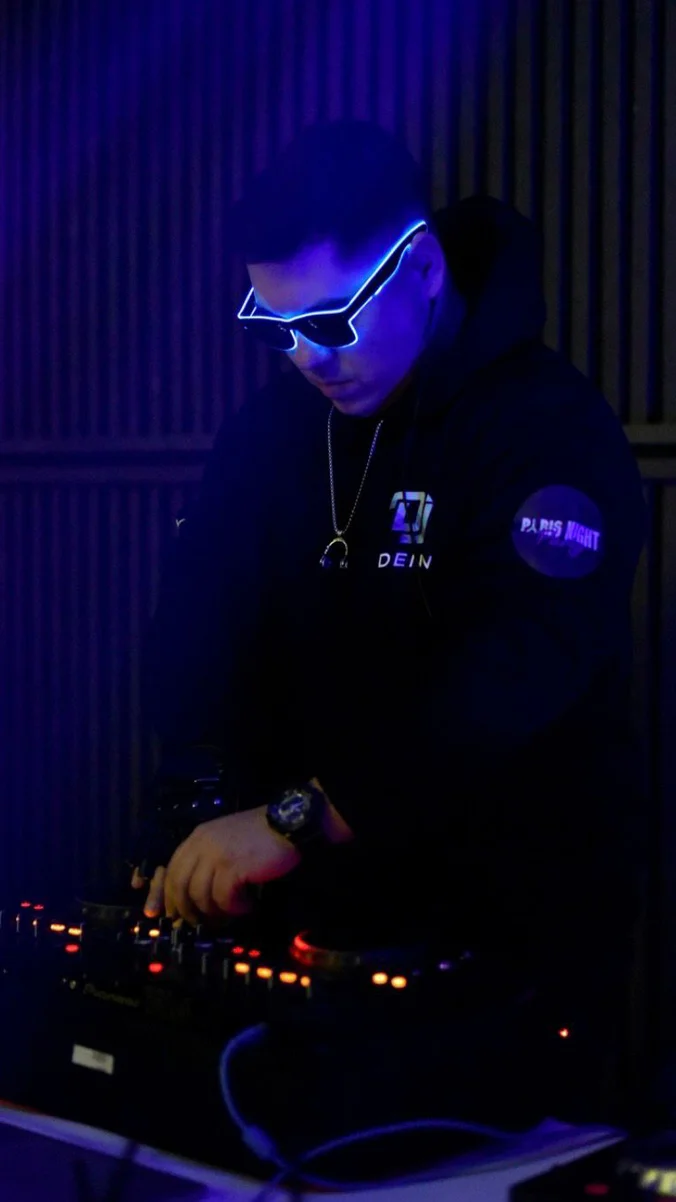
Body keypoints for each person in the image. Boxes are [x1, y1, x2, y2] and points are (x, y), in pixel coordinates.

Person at [133, 120, 646, 1121]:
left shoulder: (545, 427)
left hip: (502, 935)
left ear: (420, 268)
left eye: (330, 319)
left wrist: (296, 817)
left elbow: (521, 664)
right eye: (275, 326)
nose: (304, 355)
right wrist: (186, 807)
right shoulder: (273, 427)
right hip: (300, 922)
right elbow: (199, 620)